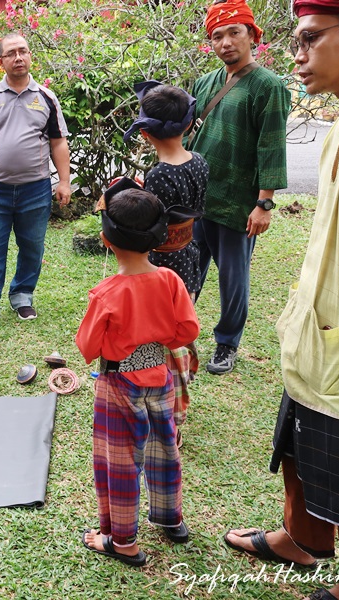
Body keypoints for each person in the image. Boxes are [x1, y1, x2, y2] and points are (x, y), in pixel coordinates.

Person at [224, 2, 339, 599]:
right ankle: (301, 541)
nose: (296, 55)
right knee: (302, 448)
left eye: (308, 39)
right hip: (316, 337)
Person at [75, 182, 200, 568]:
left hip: (118, 385)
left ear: (106, 239)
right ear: (158, 238)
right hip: (159, 376)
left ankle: (123, 541)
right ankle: (170, 519)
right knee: (165, 449)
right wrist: (154, 343)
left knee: (121, 461)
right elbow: (188, 330)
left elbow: (87, 348)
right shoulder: (170, 281)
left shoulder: (106, 294)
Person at [188, 0, 291, 374]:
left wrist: (264, 203)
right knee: (186, 272)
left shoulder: (269, 86)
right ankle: (177, 334)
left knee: (233, 279)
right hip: (197, 200)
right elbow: (189, 139)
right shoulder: (205, 83)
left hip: (237, 204)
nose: (226, 42)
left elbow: (271, 146)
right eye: (217, 35)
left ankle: (227, 344)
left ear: (252, 35)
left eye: (234, 32)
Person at [0, 32, 71, 330]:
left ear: (30, 56)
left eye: (23, 51)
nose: (18, 57)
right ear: (1, 61)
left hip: (35, 189)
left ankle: (23, 296)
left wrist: (64, 181)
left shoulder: (47, 98)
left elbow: (58, 143)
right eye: (11, 53)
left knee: (32, 246)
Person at [124, 81, 210, 439]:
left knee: (154, 338)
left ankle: (164, 406)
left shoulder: (160, 175)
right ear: (188, 126)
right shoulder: (200, 162)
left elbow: (152, 227)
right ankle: (179, 388)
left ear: (145, 134)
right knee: (180, 325)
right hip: (190, 256)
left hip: (161, 265)